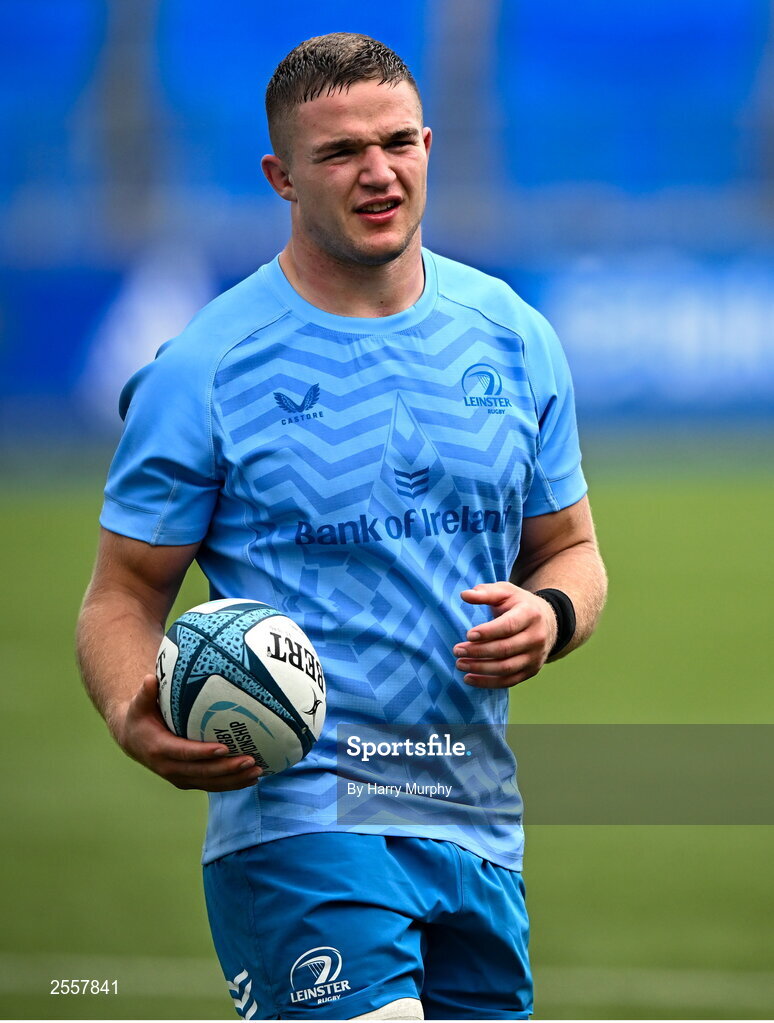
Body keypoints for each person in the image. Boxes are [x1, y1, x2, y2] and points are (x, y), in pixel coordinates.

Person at [77, 32, 607, 1021]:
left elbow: (571, 552)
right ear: (281, 175)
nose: (378, 172)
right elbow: (124, 591)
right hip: (301, 819)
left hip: (474, 819)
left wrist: (552, 614)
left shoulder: (514, 336)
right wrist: (128, 712)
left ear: (430, 144)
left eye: (398, 142)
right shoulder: (206, 366)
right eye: (340, 153)